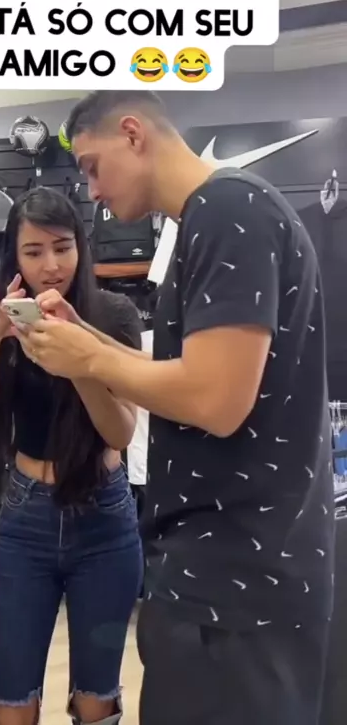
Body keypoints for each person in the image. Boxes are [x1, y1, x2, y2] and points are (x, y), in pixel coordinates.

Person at [17, 92, 335, 725]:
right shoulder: (219, 213)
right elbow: (191, 377)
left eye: (92, 167)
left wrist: (89, 358)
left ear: (133, 134)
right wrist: (88, 341)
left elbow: (215, 400)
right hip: (229, 582)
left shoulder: (226, 207)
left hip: (234, 589)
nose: (92, 191)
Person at [0, 186, 143, 725]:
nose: (51, 266)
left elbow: (120, 432)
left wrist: (78, 357)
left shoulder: (113, 315)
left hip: (105, 520)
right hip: (25, 521)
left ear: (81, 244)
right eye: (33, 252)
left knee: (97, 697)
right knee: (12, 701)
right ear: (15, 256)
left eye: (62, 247)